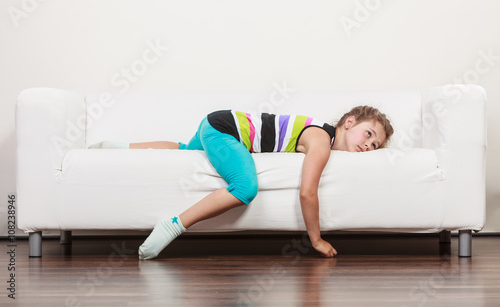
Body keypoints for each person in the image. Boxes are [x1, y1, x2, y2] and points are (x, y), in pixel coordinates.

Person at [89, 106, 393, 260]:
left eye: (376, 145)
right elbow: (308, 192)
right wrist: (316, 239)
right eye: (368, 134)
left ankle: (118, 148)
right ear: (349, 121)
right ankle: (173, 225)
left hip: (217, 121)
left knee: (185, 150)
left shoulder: (321, 135)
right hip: (225, 129)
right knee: (245, 187)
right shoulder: (321, 139)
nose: (370, 146)